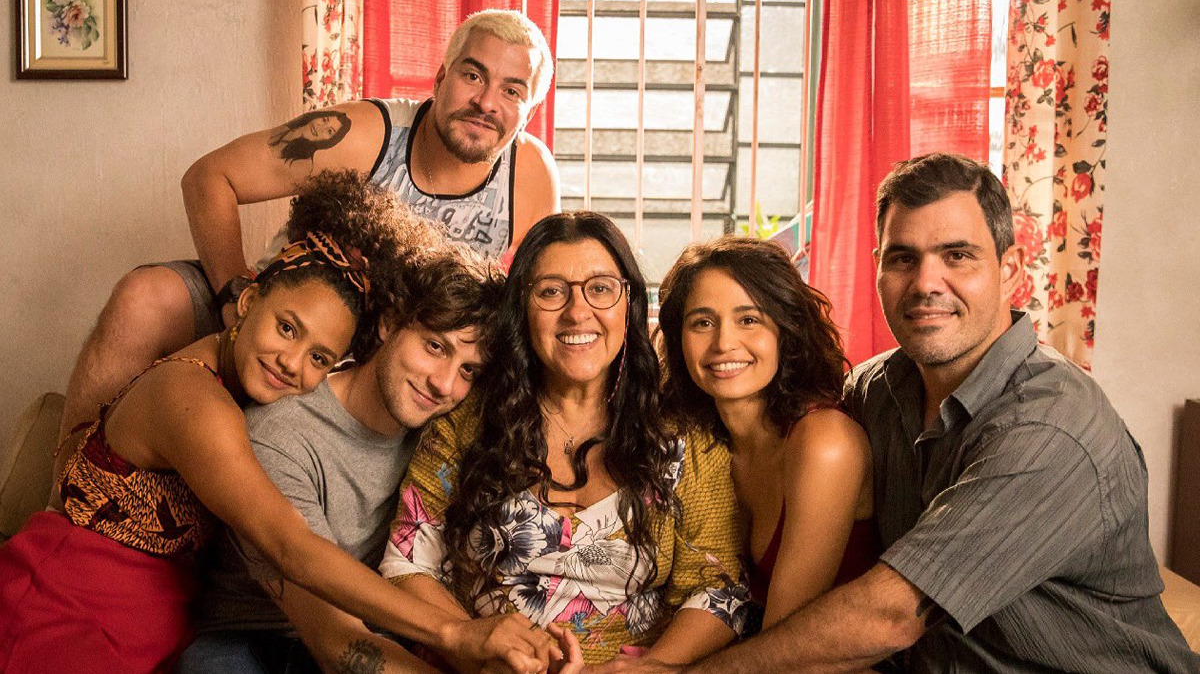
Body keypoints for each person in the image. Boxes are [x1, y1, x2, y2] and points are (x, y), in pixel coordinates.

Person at [595, 153, 1200, 673]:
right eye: (903, 258)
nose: (925, 283)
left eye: (957, 255)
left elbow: (889, 615)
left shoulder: (1050, 427)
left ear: (1010, 271)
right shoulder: (877, 389)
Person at [0, 172, 553, 674]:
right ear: (246, 301)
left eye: (319, 356)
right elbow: (291, 548)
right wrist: (456, 633)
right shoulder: (194, 400)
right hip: (69, 605)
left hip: (158, 623)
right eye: (287, 328)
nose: (293, 363)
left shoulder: (270, 392)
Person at [59, 8, 561, 442]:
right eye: (473, 76)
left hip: (390, 369)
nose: (487, 101)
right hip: (289, 317)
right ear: (440, 78)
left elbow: (534, 306)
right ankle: (64, 497)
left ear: (530, 111)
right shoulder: (367, 133)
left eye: (512, 90)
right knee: (144, 297)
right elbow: (211, 177)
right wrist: (235, 295)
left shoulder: (532, 178)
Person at [379, 212, 751, 667]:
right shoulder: (465, 422)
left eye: (600, 288)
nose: (578, 312)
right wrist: (478, 652)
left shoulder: (685, 439)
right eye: (552, 291)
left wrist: (646, 670)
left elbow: (717, 589)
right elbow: (407, 564)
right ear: (522, 308)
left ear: (628, 303)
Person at [176, 227, 552, 674]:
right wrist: (458, 635)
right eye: (435, 347)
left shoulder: (443, 432)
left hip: (378, 631)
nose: (444, 383)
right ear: (390, 322)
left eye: (468, 369)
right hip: (255, 640)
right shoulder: (280, 434)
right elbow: (332, 637)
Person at [655, 236, 878, 634]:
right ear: (678, 339)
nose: (724, 343)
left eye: (749, 320)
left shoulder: (824, 442)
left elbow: (785, 639)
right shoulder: (697, 443)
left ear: (785, 332)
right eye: (702, 323)